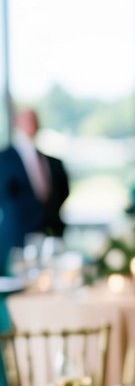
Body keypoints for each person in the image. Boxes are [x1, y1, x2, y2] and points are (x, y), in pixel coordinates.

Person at [0, 109, 70, 272]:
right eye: (27, 119)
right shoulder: (4, 159)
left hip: (50, 236)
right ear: (16, 122)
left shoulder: (51, 161)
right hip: (16, 240)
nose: (32, 123)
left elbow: (63, 192)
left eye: (34, 119)